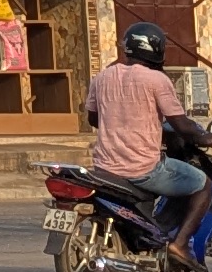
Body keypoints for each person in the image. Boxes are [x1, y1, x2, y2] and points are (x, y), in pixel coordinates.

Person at [84, 20, 203, 235]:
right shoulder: (157, 80)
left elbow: (93, 119)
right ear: (157, 49)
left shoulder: (102, 77)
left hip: (104, 168)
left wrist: (118, 122)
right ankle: (181, 244)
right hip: (143, 169)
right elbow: (181, 125)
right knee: (203, 184)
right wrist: (205, 136)